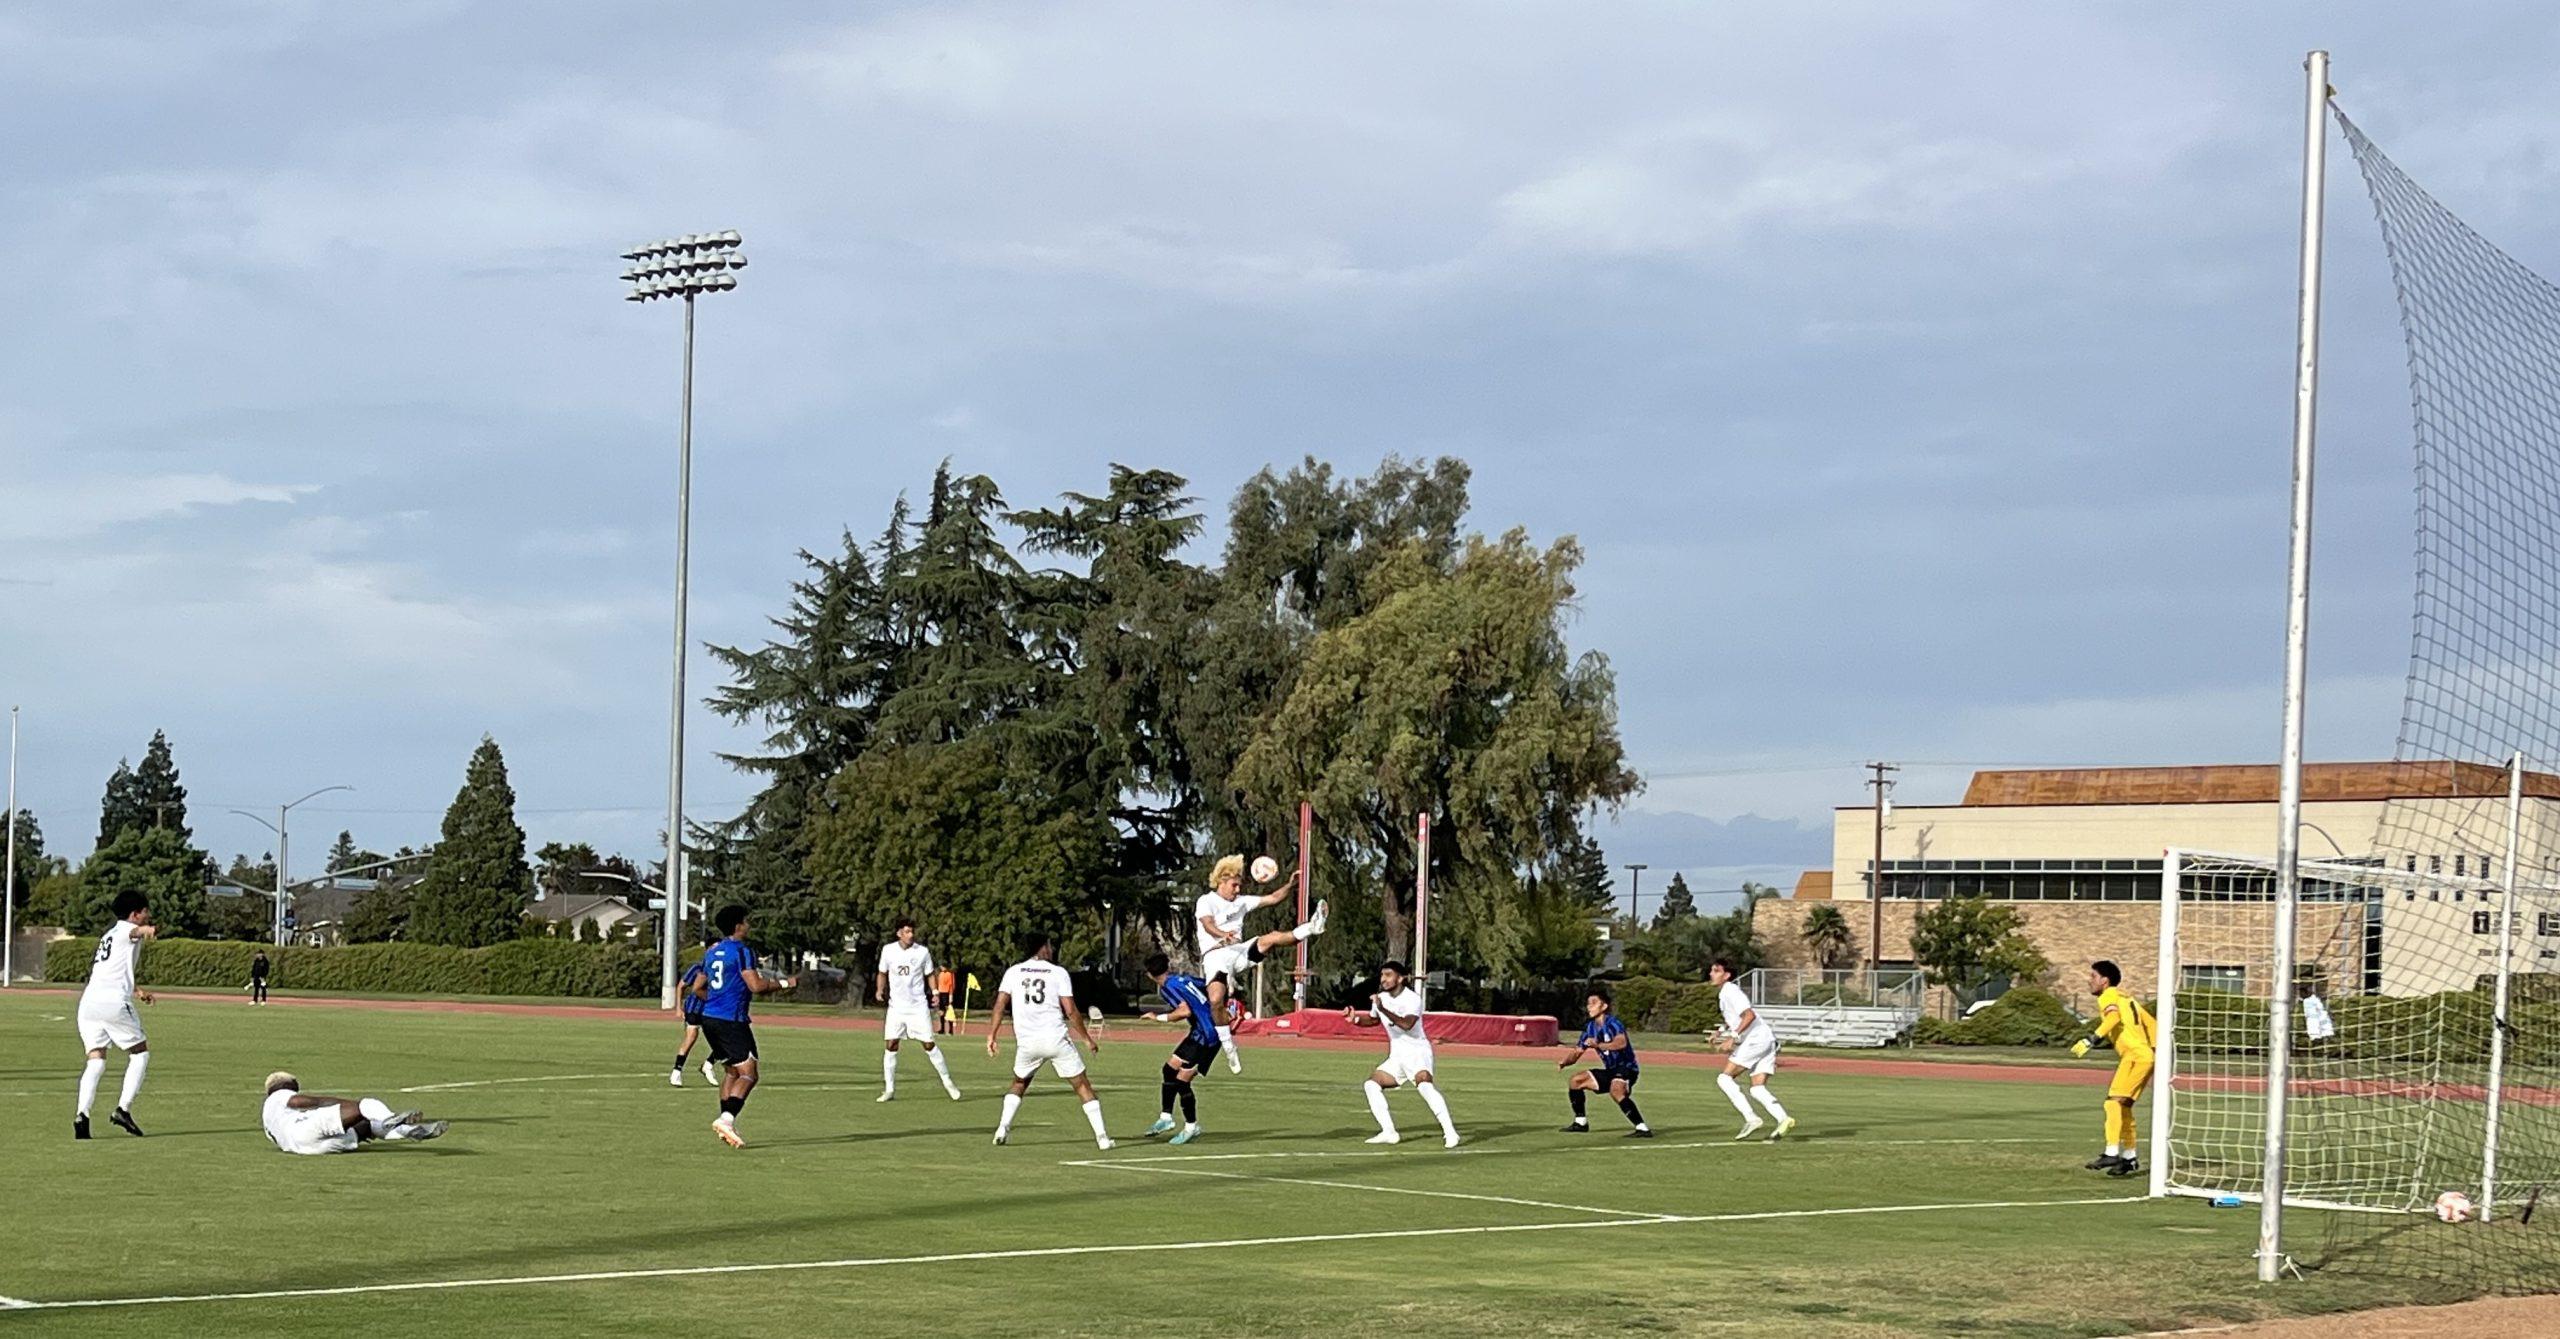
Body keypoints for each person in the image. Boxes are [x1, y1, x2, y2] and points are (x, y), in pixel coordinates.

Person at [1193, 854, 1327, 1073]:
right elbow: (1207, 925)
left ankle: (1311, 928)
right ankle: (1228, 1047)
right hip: (1215, 955)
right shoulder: (1206, 900)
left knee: (1272, 937)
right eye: (1234, 885)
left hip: (1238, 951)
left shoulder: (1242, 902)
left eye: (1239, 885)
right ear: (1221, 881)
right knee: (1216, 1000)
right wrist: (1223, 934)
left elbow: (1273, 898)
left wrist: (1290, 884)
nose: (1237, 889)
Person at [985, 930, 1111, 1150]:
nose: (1051, 949)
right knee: (1082, 1086)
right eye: (1050, 945)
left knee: (1019, 1083)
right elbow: (1070, 1010)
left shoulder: (1013, 972)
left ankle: (1002, 1128)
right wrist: (1087, 1039)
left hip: (1027, 1042)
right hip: (1056, 1040)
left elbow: (999, 1006)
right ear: (1042, 947)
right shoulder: (1058, 973)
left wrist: (992, 1035)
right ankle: (1102, 1138)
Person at [693, 904, 797, 1149]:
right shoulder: (742, 951)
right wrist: (785, 984)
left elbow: (698, 987)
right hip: (732, 1020)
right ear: (738, 925)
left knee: (731, 1072)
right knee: (749, 1073)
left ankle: (727, 1121)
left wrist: (716, 1003)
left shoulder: (712, 952)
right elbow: (756, 986)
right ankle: (726, 1119)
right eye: (746, 921)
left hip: (709, 1018)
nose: (748, 925)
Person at [1344, 960, 1460, 1148]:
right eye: (1382, 975)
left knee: (1425, 1087)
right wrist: (1355, 1019)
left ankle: (1450, 1133)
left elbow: (1407, 1025)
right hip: (1397, 1055)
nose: (1384, 979)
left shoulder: (1412, 999)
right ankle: (1389, 1132)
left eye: (1388, 975)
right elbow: (1374, 1020)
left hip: (1418, 1052)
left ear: (1401, 978)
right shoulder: (1381, 997)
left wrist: (1383, 1008)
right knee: (1371, 1085)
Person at [75, 890, 157, 1139]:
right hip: (113, 1003)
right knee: (140, 1053)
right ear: (135, 914)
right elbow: (134, 932)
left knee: (96, 1060)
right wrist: (147, 930)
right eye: (145, 912)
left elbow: (112, 970)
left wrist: (138, 991)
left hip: (89, 1003)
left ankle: (82, 1115)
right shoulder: (127, 930)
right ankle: (123, 1109)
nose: (148, 915)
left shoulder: (108, 934)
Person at [2073, 959, 2157, 1178]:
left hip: (2135, 1056)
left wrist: (2093, 1038)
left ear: (2105, 980)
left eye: (2093, 976)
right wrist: (2155, 1053)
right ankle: (2129, 1158)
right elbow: (2152, 1024)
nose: (2089, 981)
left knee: (2112, 1103)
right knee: (2124, 1106)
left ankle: (2111, 1152)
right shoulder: (2128, 999)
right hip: (2144, 1057)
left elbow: (2113, 1018)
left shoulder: (2108, 995)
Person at [876, 917, 961, 1102]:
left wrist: (935, 992)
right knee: (891, 1045)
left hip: (917, 1006)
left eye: (912, 931)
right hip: (896, 1007)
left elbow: (930, 974)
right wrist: (879, 990)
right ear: (899, 933)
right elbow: (882, 972)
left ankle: (948, 1083)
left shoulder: (922, 952)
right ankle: (889, 1089)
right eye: (906, 932)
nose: (910, 935)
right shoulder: (888, 951)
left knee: (928, 1044)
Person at [1710, 958, 1795, 1141]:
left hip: (1756, 1040)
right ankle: (1784, 1119)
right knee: (1757, 1089)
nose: (1711, 974)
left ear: (1727, 975)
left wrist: (1732, 1037)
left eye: (1716, 970)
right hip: (1766, 1039)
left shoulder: (1731, 991)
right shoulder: (1725, 992)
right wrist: (1720, 1032)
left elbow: (1749, 1015)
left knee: (1724, 1078)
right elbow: (1735, 1018)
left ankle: (1751, 1118)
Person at [1139, 951, 1219, 1144]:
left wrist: (1158, 1017)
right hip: (1200, 1031)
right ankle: (1166, 1118)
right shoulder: (1182, 979)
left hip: (1207, 1036)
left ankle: (1192, 1126)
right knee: (1169, 1069)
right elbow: (1211, 986)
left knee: (1182, 1081)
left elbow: (1184, 1011)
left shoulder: (1167, 987)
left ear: (1150, 975)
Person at [260, 1072, 446, 1154]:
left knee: (366, 1127)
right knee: (366, 1105)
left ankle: (408, 1131)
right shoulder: (279, 1095)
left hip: (305, 1149)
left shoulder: (267, 1119)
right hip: (303, 1130)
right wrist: (350, 1105)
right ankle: (390, 1119)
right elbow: (306, 1102)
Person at [1558, 986, 1650, 1138]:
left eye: (1593, 1003)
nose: (1589, 1007)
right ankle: (1580, 1122)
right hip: (1611, 1070)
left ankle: (1642, 1128)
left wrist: (1598, 1045)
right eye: (1588, 1003)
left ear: (1604, 1006)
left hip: (1627, 1068)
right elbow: (1577, 1052)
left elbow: (1621, 1043)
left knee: (1616, 1090)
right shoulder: (1589, 1028)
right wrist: (1565, 1062)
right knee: (1576, 1081)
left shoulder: (1613, 1023)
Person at [668, 956, 716, 1087]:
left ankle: (708, 1065)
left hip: (713, 1010)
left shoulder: (723, 969)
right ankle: (676, 1071)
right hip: (694, 1009)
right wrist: (678, 1008)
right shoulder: (697, 968)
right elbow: (681, 986)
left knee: (722, 1039)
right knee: (691, 1037)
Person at [935, 967, 958, 1035]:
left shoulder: (950, 974)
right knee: (941, 1012)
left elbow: (951, 986)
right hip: (941, 993)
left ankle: (951, 1029)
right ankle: (942, 1029)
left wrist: (951, 995)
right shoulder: (940, 974)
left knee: (949, 1012)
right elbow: (938, 984)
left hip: (947, 993)